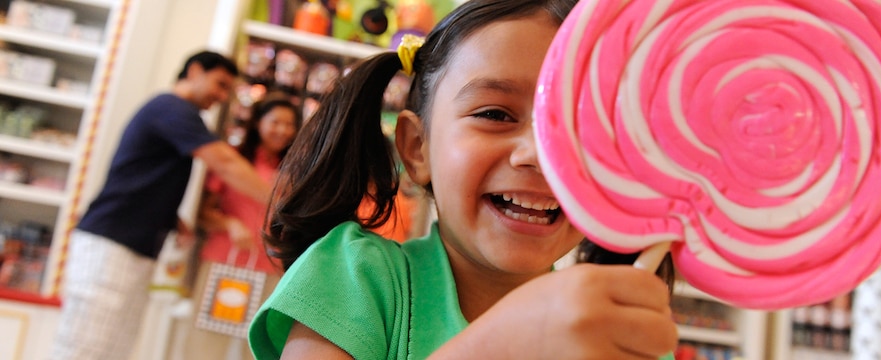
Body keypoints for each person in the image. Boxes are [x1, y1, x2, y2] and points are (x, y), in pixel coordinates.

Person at [250, 0, 679, 359]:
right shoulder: (354, 277)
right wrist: (500, 344)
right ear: (418, 147)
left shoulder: (623, 333)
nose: (538, 155)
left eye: (579, 127)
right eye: (495, 114)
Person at [50, 50, 272, 360]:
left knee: (112, 348)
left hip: (133, 248)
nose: (221, 96)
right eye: (220, 84)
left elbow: (148, 176)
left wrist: (172, 218)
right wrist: (276, 201)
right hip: (111, 245)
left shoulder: (172, 113)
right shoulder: (172, 108)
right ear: (194, 71)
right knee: (85, 347)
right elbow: (223, 161)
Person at [180, 96, 300, 360]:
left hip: (271, 269)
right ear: (258, 122)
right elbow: (202, 212)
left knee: (258, 349)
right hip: (224, 263)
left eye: (289, 124)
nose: (282, 130)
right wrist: (229, 223)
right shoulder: (233, 160)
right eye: (275, 122)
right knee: (205, 344)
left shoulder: (297, 172)